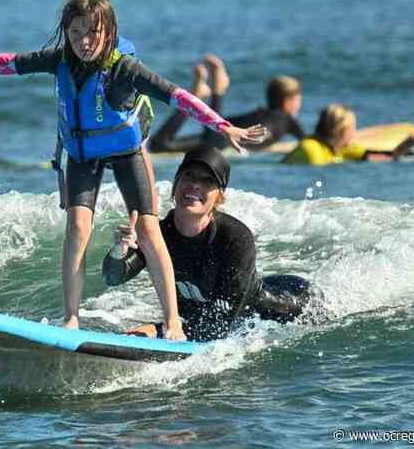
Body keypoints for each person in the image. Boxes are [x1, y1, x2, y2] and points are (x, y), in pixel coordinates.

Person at [0, 0, 267, 340]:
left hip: (126, 152)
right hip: (83, 154)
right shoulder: (59, 61)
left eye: (92, 32)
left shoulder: (126, 69)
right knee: (77, 228)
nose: (84, 42)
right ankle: (71, 318)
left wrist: (222, 126)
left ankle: (173, 321)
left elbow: (177, 95)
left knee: (148, 229)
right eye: (75, 33)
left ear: (109, 31)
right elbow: (6, 62)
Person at [103, 146, 323, 342]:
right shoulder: (158, 236)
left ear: (219, 197)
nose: (195, 186)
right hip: (216, 318)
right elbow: (112, 278)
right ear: (176, 184)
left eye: (208, 181)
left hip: (289, 307)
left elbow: (221, 326)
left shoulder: (235, 238)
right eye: (188, 176)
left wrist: (157, 330)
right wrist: (118, 251)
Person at [148, 54, 304, 153]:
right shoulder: (288, 121)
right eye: (298, 100)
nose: (298, 105)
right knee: (161, 145)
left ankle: (196, 95)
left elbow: (223, 121)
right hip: (220, 143)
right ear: (287, 101)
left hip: (218, 138)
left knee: (158, 145)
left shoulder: (260, 113)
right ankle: (218, 91)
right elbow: (309, 140)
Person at [283, 103, 392, 166]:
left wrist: (401, 150)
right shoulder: (309, 148)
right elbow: (316, 168)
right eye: (353, 127)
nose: (355, 132)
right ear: (343, 130)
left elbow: (376, 156)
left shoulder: (341, 149)